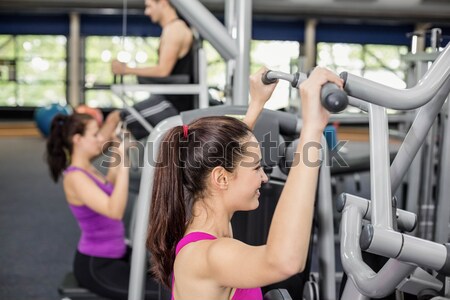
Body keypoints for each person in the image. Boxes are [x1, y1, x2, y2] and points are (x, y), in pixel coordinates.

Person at [146, 66, 344, 299]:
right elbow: (285, 262)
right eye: (257, 167)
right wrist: (312, 128)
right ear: (220, 178)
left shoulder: (206, 222)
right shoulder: (210, 254)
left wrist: (256, 103)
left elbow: (229, 155)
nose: (265, 177)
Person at [46, 113, 161, 300]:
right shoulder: (75, 178)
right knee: (158, 294)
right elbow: (114, 211)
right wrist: (123, 166)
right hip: (98, 266)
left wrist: (118, 152)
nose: (101, 138)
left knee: (165, 278)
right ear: (78, 139)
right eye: (95, 135)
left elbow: (112, 188)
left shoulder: (88, 169)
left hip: (117, 253)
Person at [101, 0, 195, 141]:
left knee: (115, 120)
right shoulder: (172, 28)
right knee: (121, 132)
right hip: (166, 99)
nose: (147, 12)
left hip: (173, 105)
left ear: (162, 3)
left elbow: (163, 71)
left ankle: (81, 161)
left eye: (149, 6)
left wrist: (126, 70)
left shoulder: (175, 30)